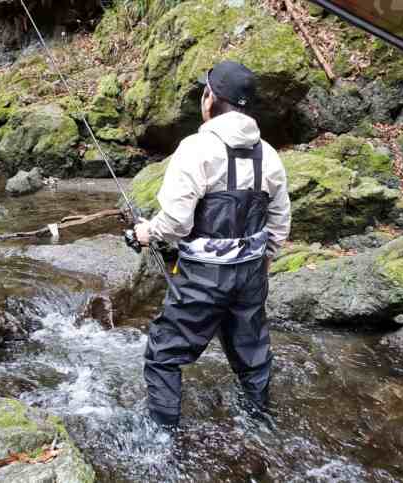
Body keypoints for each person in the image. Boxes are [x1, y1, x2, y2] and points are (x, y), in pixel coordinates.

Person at [134, 60, 291, 427]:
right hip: (251, 275)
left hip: (203, 279)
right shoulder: (268, 154)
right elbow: (280, 220)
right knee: (252, 356)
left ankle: (163, 438)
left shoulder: (195, 148)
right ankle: (261, 422)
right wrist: (264, 260)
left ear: (210, 98)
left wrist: (146, 234)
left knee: (164, 355)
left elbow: (174, 223)